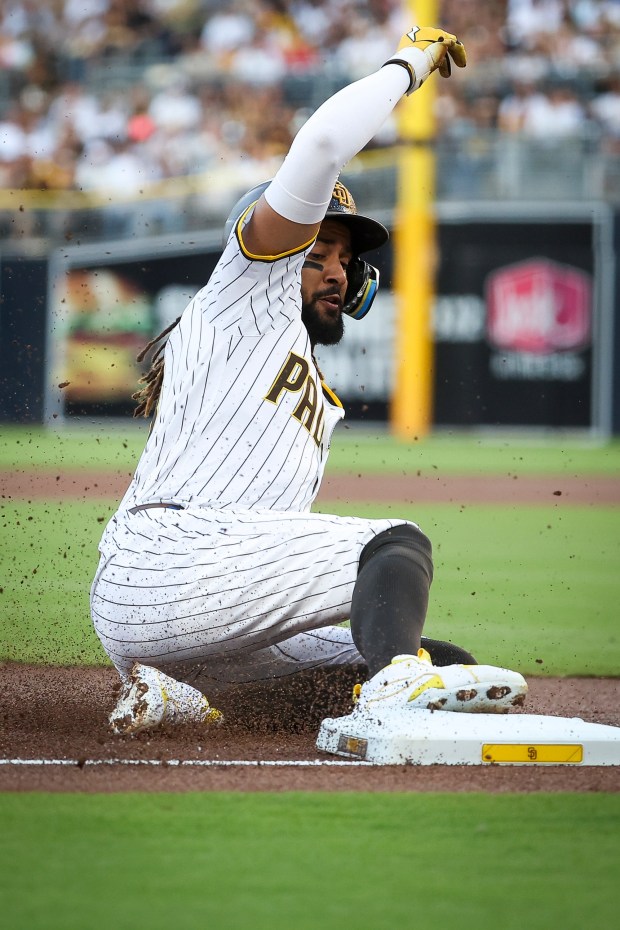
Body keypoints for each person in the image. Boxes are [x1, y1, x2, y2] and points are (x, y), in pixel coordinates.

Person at [90, 25, 528, 737]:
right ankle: (387, 688)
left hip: (209, 612)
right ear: (272, 246)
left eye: (346, 260)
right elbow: (321, 146)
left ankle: (183, 698)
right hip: (164, 563)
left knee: (441, 659)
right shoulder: (248, 290)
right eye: (318, 251)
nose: (337, 269)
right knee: (394, 545)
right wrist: (406, 66)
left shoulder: (307, 381)